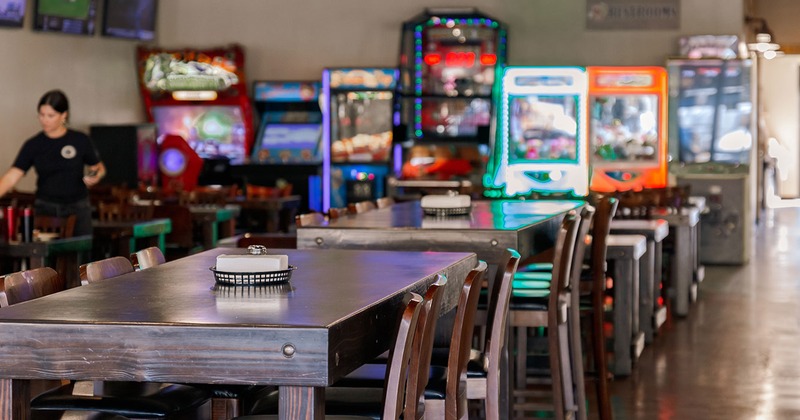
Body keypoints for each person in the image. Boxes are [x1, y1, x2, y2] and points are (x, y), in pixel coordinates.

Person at [0, 90, 105, 236]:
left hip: (78, 208)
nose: (45, 120)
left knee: (81, 256)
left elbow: (98, 167)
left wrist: (96, 175)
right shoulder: (34, 144)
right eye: (41, 115)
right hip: (46, 209)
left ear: (64, 115)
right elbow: (12, 176)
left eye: (51, 115)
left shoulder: (80, 140)